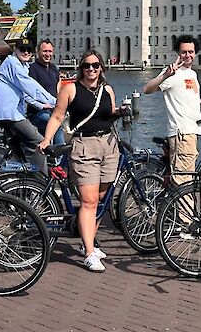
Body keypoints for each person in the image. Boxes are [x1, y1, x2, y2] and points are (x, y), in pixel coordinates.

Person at [39, 50, 124, 272]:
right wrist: (47, 139)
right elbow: (57, 116)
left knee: (101, 199)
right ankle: (89, 252)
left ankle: (88, 239)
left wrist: (121, 112)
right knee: (89, 201)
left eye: (95, 65)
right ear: (81, 68)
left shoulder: (107, 90)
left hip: (109, 145)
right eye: (87, 66)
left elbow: (109, 114)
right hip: (85, 146)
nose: (91, 69)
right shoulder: (71, 89)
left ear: (101, 67)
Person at [0, 41, 56, 175]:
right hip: (10, 114)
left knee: (20, 146)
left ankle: (22, 177)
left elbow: (25, 93)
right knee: (39, 143)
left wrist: (42, 105)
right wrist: (57, 102)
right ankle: (40, 180)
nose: (26, 52)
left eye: (29, 50)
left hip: (12, 113)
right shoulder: (12, 63)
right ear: (15, 50)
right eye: (22, 49)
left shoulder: (23, 66)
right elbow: (31, 87)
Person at [143, 35, 201, 185]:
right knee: (184, 181)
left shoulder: (192, 74)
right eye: (184, 52)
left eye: (191, 52)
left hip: (191, 131)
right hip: (182, 133)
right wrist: (165, 75)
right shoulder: (173, 73)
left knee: (185, 177)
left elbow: (189, 98)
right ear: (178, 53)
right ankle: (184, 202)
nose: (188, 55)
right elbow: (147, 89)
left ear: (195, 53)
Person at [28, 40, 63, 145]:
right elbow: (29, 94)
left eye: (50, 51)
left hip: (53, 109)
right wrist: (42, 105)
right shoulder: (32, 69)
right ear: (38, 51)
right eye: (45, 51)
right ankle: (59, 151)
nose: (48, 54)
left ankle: (59, 150)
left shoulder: (53, 68)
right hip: (37, 112)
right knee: (53, 121)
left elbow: (58, 89)